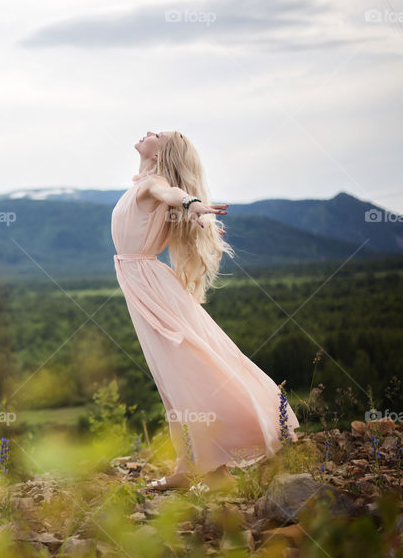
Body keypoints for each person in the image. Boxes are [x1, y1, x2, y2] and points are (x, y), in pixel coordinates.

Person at [112, 130, 300, 491]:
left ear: (162, 152)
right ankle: (193, 467)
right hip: (144, 283)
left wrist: (191, 203)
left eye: (158, 134)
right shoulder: (143, 182)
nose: (149, 132)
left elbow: (172, 194)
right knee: (170, 377)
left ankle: (218, 467)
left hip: (150, 285)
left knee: (184, 369)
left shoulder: (156, 184)